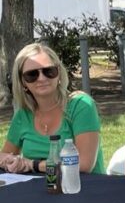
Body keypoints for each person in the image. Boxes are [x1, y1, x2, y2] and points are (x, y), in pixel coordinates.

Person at [0, 43, 105, 173]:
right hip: (37, 190)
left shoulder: (81, 105)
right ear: (22, 82)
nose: (42, 78)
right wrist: (11, 161)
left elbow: (83, 164)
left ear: (59, 74)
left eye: (49, 71)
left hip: (84, 189)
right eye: (32, 75)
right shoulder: (23, 115)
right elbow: (4, 155)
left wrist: (34, 164)